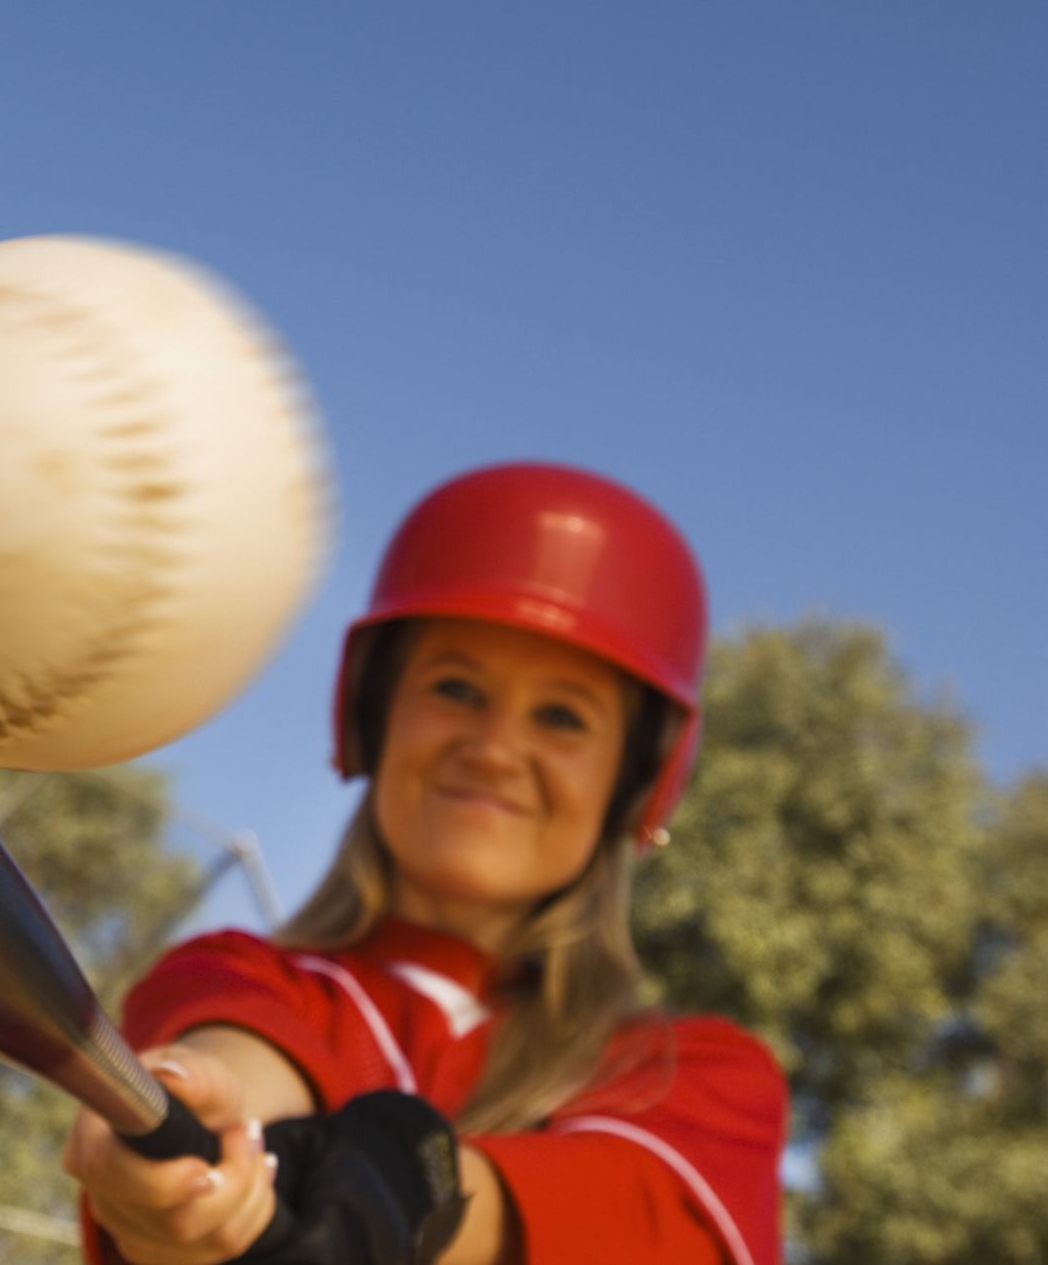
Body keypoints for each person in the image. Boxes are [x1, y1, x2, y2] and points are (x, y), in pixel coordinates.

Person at [63, 463, 788, 1265]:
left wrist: (407, 1195)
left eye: (561, 715)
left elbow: (633, 1220)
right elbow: (236, 1066)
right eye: (456, 688)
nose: (493, 749)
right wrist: (201, 1147)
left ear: (633, 785)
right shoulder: (240, 976)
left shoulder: (693, 1076)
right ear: (375, 717)